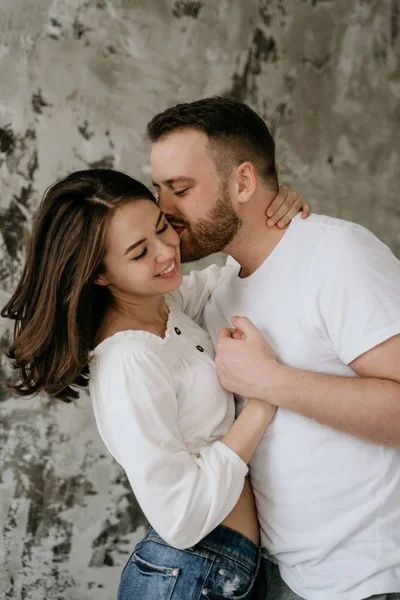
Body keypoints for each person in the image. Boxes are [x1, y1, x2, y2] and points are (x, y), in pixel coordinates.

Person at [1, 169, 308, 599]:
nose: (167, 252)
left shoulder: (166, 307)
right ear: (100, 275)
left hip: (226, 569)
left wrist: (271, 215)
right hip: (191, 574)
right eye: (140, 251)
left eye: (162, 227)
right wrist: (263, 400)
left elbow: (229, 279)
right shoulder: (130, 361)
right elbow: (179, 518)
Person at [147, 96, 400, 600]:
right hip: (278, 579)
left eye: (180, 189)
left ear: (243, 182)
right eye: (159, 191)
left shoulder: (337, 255)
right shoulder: (219, 291)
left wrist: (272, 382)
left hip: (370, 581)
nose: (163, 211)